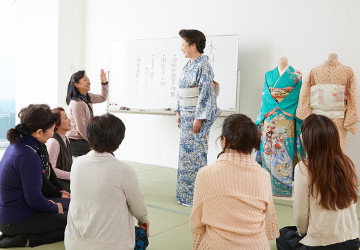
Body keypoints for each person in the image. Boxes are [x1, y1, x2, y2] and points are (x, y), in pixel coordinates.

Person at [191, 114, 279, 250]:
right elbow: (268, 222)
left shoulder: (205, 174)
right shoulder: (264, 175)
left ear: (223, 140)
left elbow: (197, 223)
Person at [65, 114, 149, 250]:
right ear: (118, 140)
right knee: (140, 235)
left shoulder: (77, 164)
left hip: (73, 243)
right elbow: (139, 210)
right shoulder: (124, 170)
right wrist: (143, 220)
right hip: (111, 246)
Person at [276, 114, 360, 250]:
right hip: (352, 240)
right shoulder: (346, 164)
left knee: (283, 235)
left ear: (309, 139)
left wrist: (302, 233)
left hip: (321, 244)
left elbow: (301, 214)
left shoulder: (304, 168)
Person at [0, 104, 67, 248]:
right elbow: (34, 200)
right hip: (15, 219)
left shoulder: (17, 145)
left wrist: (54, 203)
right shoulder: (28, 156)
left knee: (67, 207)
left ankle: (17, 235)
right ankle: (27, 240)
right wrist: (54, 208)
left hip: (9, 215)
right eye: (52, 129)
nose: (53, 133)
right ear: (38, 132)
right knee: (73, 222)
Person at [175, 29, 220, 206]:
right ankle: (184, 194)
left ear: (193, 45)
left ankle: (196, 196)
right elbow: (180, 90)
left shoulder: (204, 65)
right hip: (185, 116)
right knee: (185, 155)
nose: (182, 48)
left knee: (197, 154)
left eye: (183, 44)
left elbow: (206, 92)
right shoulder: (187, 66)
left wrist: (199, 117)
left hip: (196, 117)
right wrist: (178, 110)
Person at [255, 57, 305, 197]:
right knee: (268, 150)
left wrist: (279, 105)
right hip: (270, 119)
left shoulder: (297, 75)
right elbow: (265, 95)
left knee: (284, 151)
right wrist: (275, 106)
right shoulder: (268, 74)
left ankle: (283, 188)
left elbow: (297, 96)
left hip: (286, 118)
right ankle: (266, 186)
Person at [296, 54, 360, 151]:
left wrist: (306, 116)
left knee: (317, 149)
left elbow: (304, 94)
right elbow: (353, 96)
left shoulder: (315, 71)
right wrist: (350, 119)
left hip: (317, 120)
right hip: (338, 120)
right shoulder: (348, 71)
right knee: (337, 151)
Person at [66, 69, 109, 157]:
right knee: (101, 153)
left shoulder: (87, 96)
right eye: (85, 80)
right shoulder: (77, 103)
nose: (89, 82)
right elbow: (81, 128)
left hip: (84, 138)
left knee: (105, 151)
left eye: (88, 79)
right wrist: (94, 143)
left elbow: (102, 97)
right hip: (75, 141)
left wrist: (104, 83)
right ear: (76, 85)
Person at [46, 107, 73, 192]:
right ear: (57, 124)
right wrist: (72, 175)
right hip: (58, 188)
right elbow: (51, 169)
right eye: (65, 118)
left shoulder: (66, 139)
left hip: (68, 185)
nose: (69, 120)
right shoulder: (54, 142)